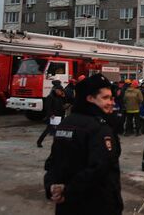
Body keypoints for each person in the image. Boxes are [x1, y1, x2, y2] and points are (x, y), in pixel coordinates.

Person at [44, 73, 123, 215]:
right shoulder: (99, 128)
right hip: (96, 204)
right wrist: (68, 191)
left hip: (67, 206)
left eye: (111, 98)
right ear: (90, 99)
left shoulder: (66, 123)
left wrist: (52, 187)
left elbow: (53, 162)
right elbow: (99, 168)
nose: (111, 102)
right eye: (105, 98)